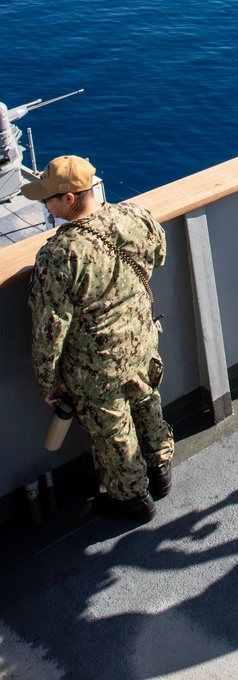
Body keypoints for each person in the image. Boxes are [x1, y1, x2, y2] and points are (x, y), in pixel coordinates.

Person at [23, 155, 174, 523]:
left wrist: (48, 382)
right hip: (140, 339)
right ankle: (161, 468)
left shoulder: (59, 255)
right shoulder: (133, 216)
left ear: (68, 199)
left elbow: (49, 331)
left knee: (112, 428)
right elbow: (160, 254)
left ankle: (131, 498)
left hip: (96, 366)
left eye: (47, 198)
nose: (44, 203)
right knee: (146, 399)